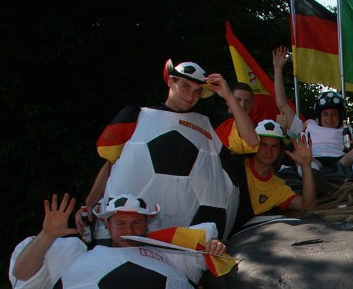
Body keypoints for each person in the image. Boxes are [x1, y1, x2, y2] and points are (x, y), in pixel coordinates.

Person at [78, 59, 260, 240]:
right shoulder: (137, 117)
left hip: (188, 242)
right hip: (130, 236)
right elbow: (111, 163)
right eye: (185, 86)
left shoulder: (211, 123)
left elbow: (251, 141)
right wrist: (88, 205)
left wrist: (229, 96)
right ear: (171, 82)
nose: (190, 96)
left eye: (197, 91)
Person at [12, 193, 225, 289]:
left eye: (136, 223)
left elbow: (218, 259)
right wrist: (47, 236)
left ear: (147, 225)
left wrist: (215, 248)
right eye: (121, 223)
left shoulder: (168, 252)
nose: (129, 230)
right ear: (107, 225)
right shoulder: (82, 258)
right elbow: (22, 274)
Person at [271, 47, 353, 186]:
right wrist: (278, 68)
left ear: (340, 116)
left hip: (341, 162)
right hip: (313, 160)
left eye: (334, 114)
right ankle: (315, 182)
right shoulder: (306, 127)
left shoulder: (348, 130)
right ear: (319, 116)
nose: (329, 118)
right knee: (299, 152)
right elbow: (282, 104)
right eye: (325, 114)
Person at [240, 119, 317, 215]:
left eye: (274, 146)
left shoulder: (277, 188)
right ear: (255, 145)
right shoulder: (238, 165)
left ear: (280, 150)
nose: (269, 151)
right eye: (264, 145)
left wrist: (305, 166)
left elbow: (308, 206)